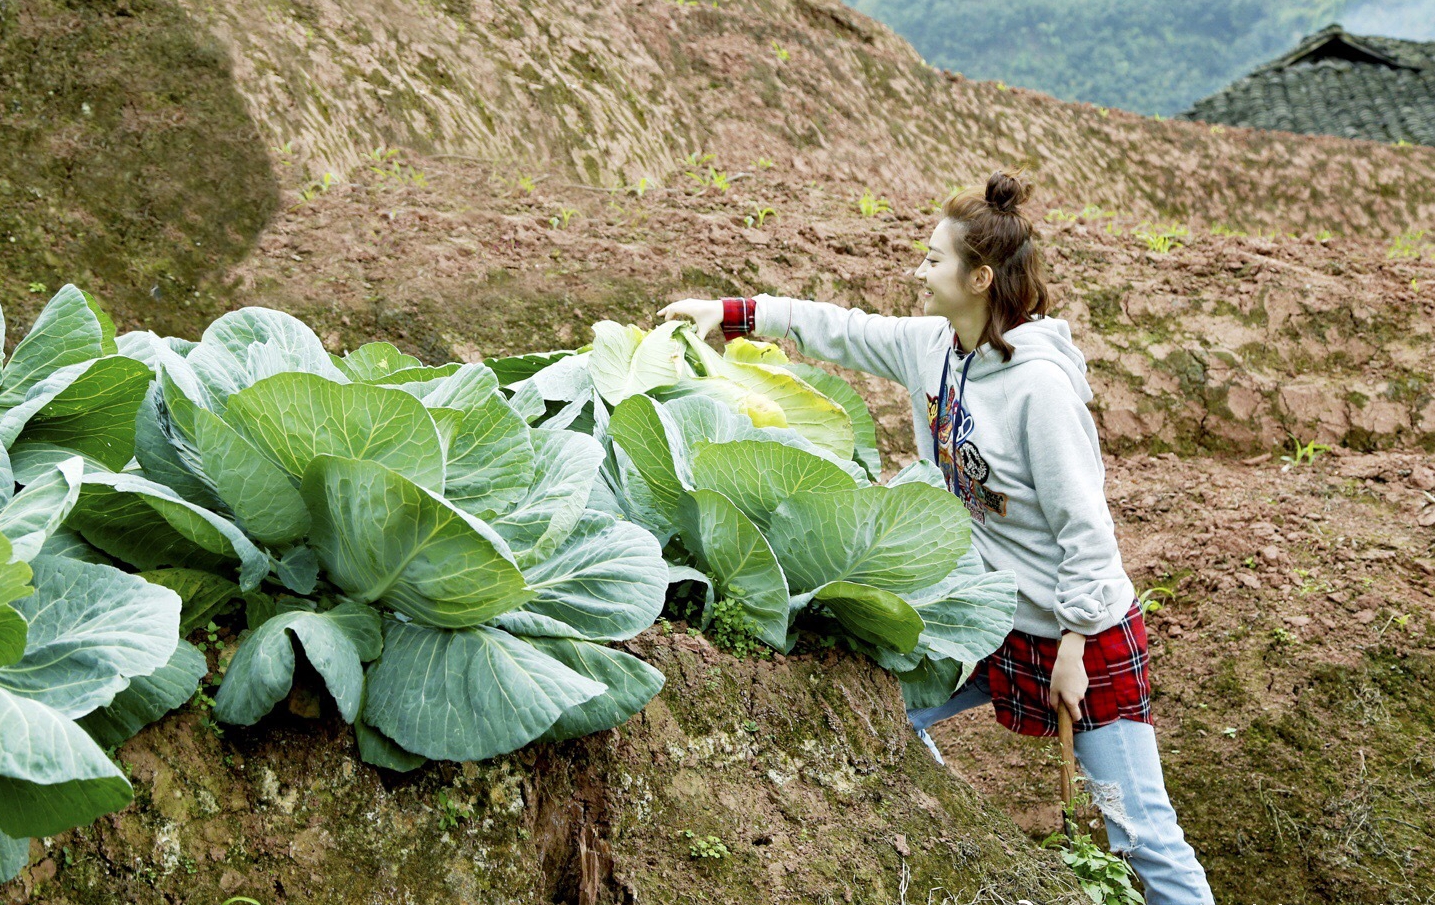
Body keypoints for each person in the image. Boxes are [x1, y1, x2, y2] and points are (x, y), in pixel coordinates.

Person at [657, 168, 1214, 905]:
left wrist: (1075, 647)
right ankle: (966, 841)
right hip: (981, 616)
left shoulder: (1039, 389)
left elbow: (1086, 527)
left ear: (979, 276)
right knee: (881, 710)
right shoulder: (934, 348)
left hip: (1078, 638)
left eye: (931, 259)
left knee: (1136, 830)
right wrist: (730, 310)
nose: (916, 271)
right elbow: (842, 327)